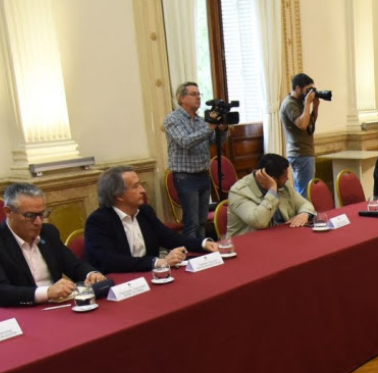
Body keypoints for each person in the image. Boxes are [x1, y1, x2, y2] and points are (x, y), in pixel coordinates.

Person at [85, 166, 218, 274]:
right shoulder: (98, 222)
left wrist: (203, 244)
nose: (143, 190)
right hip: (121, 285)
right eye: (136, 186)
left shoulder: (145, 212)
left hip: (151, 277)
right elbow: (110, 261)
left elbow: (170, 238)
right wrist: (157, 262)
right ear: (119, 195)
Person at [1, 183, 106, 307]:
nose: (38, 222)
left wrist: (91, 274)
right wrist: (46, 292)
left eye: (42, 214)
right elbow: (3, 291)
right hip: (21, 311)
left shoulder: (48, 232)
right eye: (30, 216)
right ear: (9, 212)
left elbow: (74, 265)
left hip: (58, 306)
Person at [163, 81, 228, 240]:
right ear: (181, 98)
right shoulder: (173, 119)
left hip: (203, 175)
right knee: (192, 222)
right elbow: (185, 141)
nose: (198, 97)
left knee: (201, 221)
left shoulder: (201, 120)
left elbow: (214, 142)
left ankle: (202, 249)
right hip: (185, 177)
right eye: (193, 94)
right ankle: (191, 252)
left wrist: (222, 130)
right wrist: (209, 127)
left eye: (199, 94)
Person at [227, 153, 316, 237]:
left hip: (279, 237)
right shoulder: (239, 191)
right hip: (246, 243)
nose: (287, 179)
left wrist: (304, 214)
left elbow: (305, 204)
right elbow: (259, 222)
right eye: (284, 176)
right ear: (273, 179)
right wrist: (272, 191)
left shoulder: (284, 186)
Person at [280, 73, 321, 198]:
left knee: (307, 191)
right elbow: (302, 125)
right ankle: (303, 211)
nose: (310, 93)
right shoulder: (289, 104)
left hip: (305, 152)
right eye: (308, 89)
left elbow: (309, 123)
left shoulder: (300, 102)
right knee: (305, 193)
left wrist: (315, 107)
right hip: (300, 153)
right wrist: (307, 104)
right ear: (298, 88)